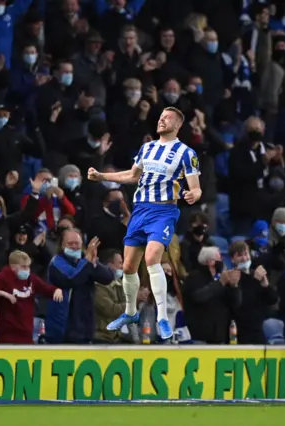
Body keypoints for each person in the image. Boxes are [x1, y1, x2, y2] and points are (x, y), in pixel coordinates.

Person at [88, 107, 201, 339]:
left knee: (151, 258)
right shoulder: (147, 148)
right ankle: (130, 312)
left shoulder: (185, 153)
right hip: (140, 210)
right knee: (129, 266)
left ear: (178, 125)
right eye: (160, 117)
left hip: (163, 211)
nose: (161, 120)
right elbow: (132, 175)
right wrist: (102, 176)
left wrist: (194, 195)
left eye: (167, 118)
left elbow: (196, 186)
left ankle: (161, 318)